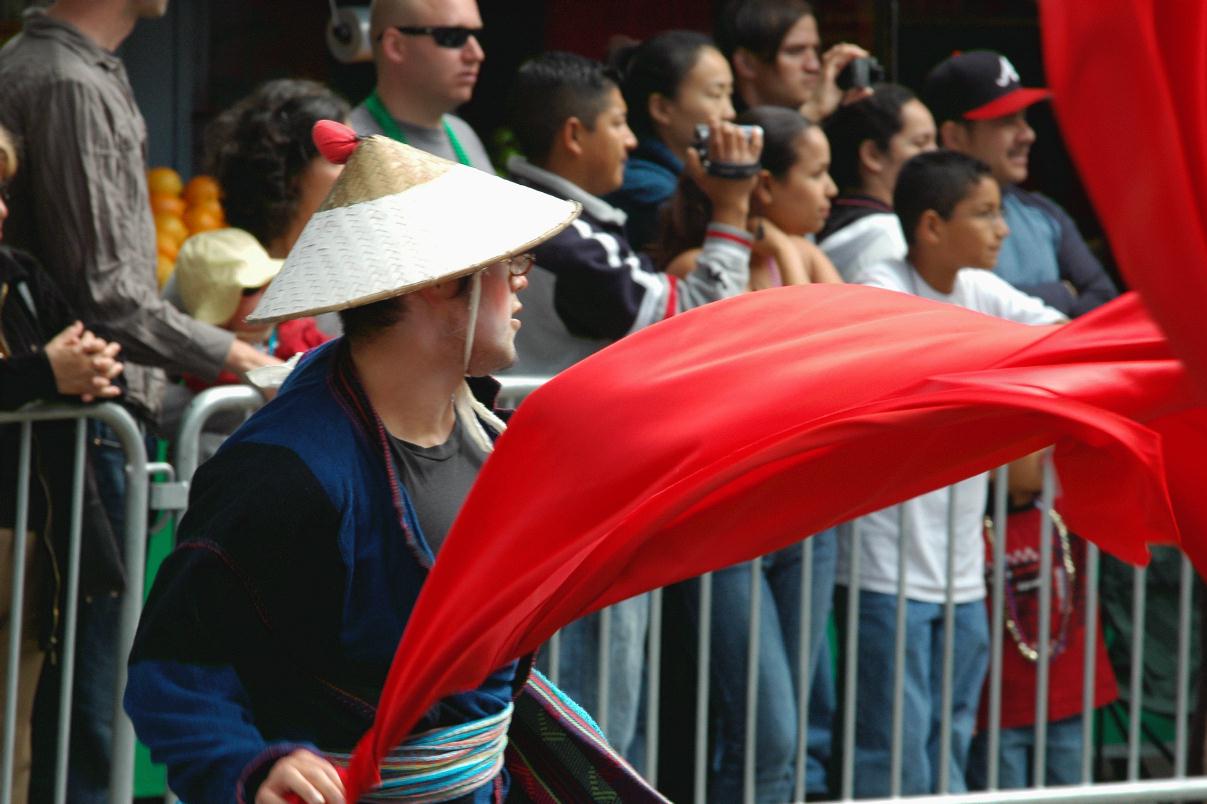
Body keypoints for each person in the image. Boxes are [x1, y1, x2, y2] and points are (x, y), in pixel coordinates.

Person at [126, 123, 661, 802]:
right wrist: (252, 766)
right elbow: (174, 670)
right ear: (438, 283)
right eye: (511, 266)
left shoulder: (496, 440)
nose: (522, 287)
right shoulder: (282, 473)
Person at [0, 3, 279, 798]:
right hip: (79, 442)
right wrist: (236, 353)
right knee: (79, 709)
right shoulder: (62, 79)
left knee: (63, 707)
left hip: (84, 432)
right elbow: (109, 296)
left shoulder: (64, 70)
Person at [503, 50, 760, 766]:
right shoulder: (555, 232)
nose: (628, 141)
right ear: (573, 136)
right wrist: (733, 210)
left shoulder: (552, 221)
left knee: (603, 728)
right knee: (591, 735)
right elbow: (700, 319)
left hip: (578, 507)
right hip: (574, 515)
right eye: (618, 124)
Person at [836, 150, 1066, 798]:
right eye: (985, 213)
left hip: (963, 570)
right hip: (885, 569)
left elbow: (1059, 335)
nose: (1003, 230)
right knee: (891, 747)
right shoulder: (879, 287)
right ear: (931, 225)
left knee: (952, 734)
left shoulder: (978, 289)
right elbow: (917, 358)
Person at [657, 104, 840, 801]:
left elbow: (835, 320)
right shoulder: (695, 267)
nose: (830, 191)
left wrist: (778, 240)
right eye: (817, 174)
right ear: (762, 187)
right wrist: (768, 238)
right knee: (768, 736)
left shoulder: (798, 254)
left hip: (799, 519)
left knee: (800, 735)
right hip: (726, 528)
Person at [0, 123, 124, 804]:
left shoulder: (20, 274)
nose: (1, 210)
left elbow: (91, 352)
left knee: (17, 734)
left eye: (3, 191)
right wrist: (44, 374)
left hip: (32, 536)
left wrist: (94, 372)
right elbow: (50, 367)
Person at [923, 50, 1118, 317]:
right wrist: (1059, 294)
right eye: (1006, 121)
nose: (1028, 134)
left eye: (1023, 118)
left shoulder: (1044, 213)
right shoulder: (927, 222)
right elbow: (957, 312)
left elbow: (1103, 299)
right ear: (954, 136)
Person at [605, 30, 737, 251]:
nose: (730, 113)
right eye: (716, 95)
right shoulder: (646, 189)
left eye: (729, 95)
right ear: (662, 108)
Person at [348, 0, 494, 171]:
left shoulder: (463, 134)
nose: (476, 54)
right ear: (395, 46)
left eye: (475, 35)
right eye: (453, 36)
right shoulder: (350, 144)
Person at [818, 83, 937, 281]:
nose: (935, 154)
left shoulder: (834, 223)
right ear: (872, 155)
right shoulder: (885, 234)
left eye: (934, 142)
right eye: (920, 143)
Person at [715, 0, 870, 121]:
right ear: (747, 63)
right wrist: (812, 112)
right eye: (795, 51)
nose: (814, 65)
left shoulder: (827, 119)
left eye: (815, 50)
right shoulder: (721, 126)